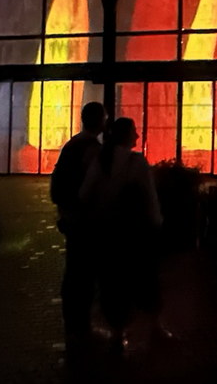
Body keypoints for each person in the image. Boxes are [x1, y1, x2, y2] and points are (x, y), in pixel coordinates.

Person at [79, 117, 164, 355]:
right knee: (145, 278)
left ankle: (117, 333)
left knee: (113, 282)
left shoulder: (100, 160)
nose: (137, 137)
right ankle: (154, 328)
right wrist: (156, 224)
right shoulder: (136, 162)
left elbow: (84, 194)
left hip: (107, 232)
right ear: (127, 136)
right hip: (135, 232)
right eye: (134, 132)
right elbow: (150, 198)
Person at [50, 102, 107, 347]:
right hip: (84, 220)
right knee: (83, 274)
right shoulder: (92, 149)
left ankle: (73, 325)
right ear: (100, 121)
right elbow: (92, 187)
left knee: (74, 272)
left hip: (71, 217)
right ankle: (81, 326)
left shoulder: (72, 144)